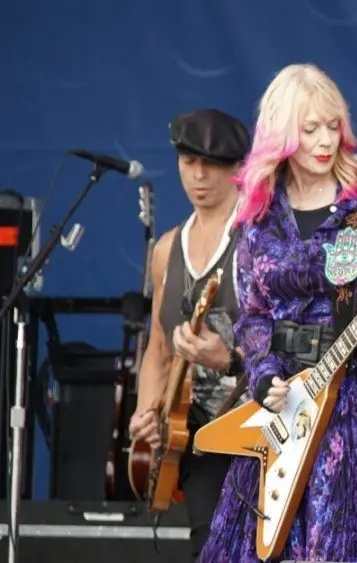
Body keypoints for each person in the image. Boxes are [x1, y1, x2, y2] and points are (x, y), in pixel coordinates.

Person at [197, 63, 357, 563]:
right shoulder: (258, 215)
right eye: (309, 128)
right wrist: (265, 373)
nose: (325, 139)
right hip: (286, 404)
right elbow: (252, 315)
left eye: (333, 125)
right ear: (282, 135)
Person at [128, 108, 251, 560]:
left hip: (260, 426)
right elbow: (159, 350)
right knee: (211, 546)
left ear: (239, 168)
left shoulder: (258, 241)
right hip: (197, 434)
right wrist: (147, 417)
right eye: (188, 163)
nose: (198, 176)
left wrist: (233, 355)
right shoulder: (166, 250)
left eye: (212, 165)